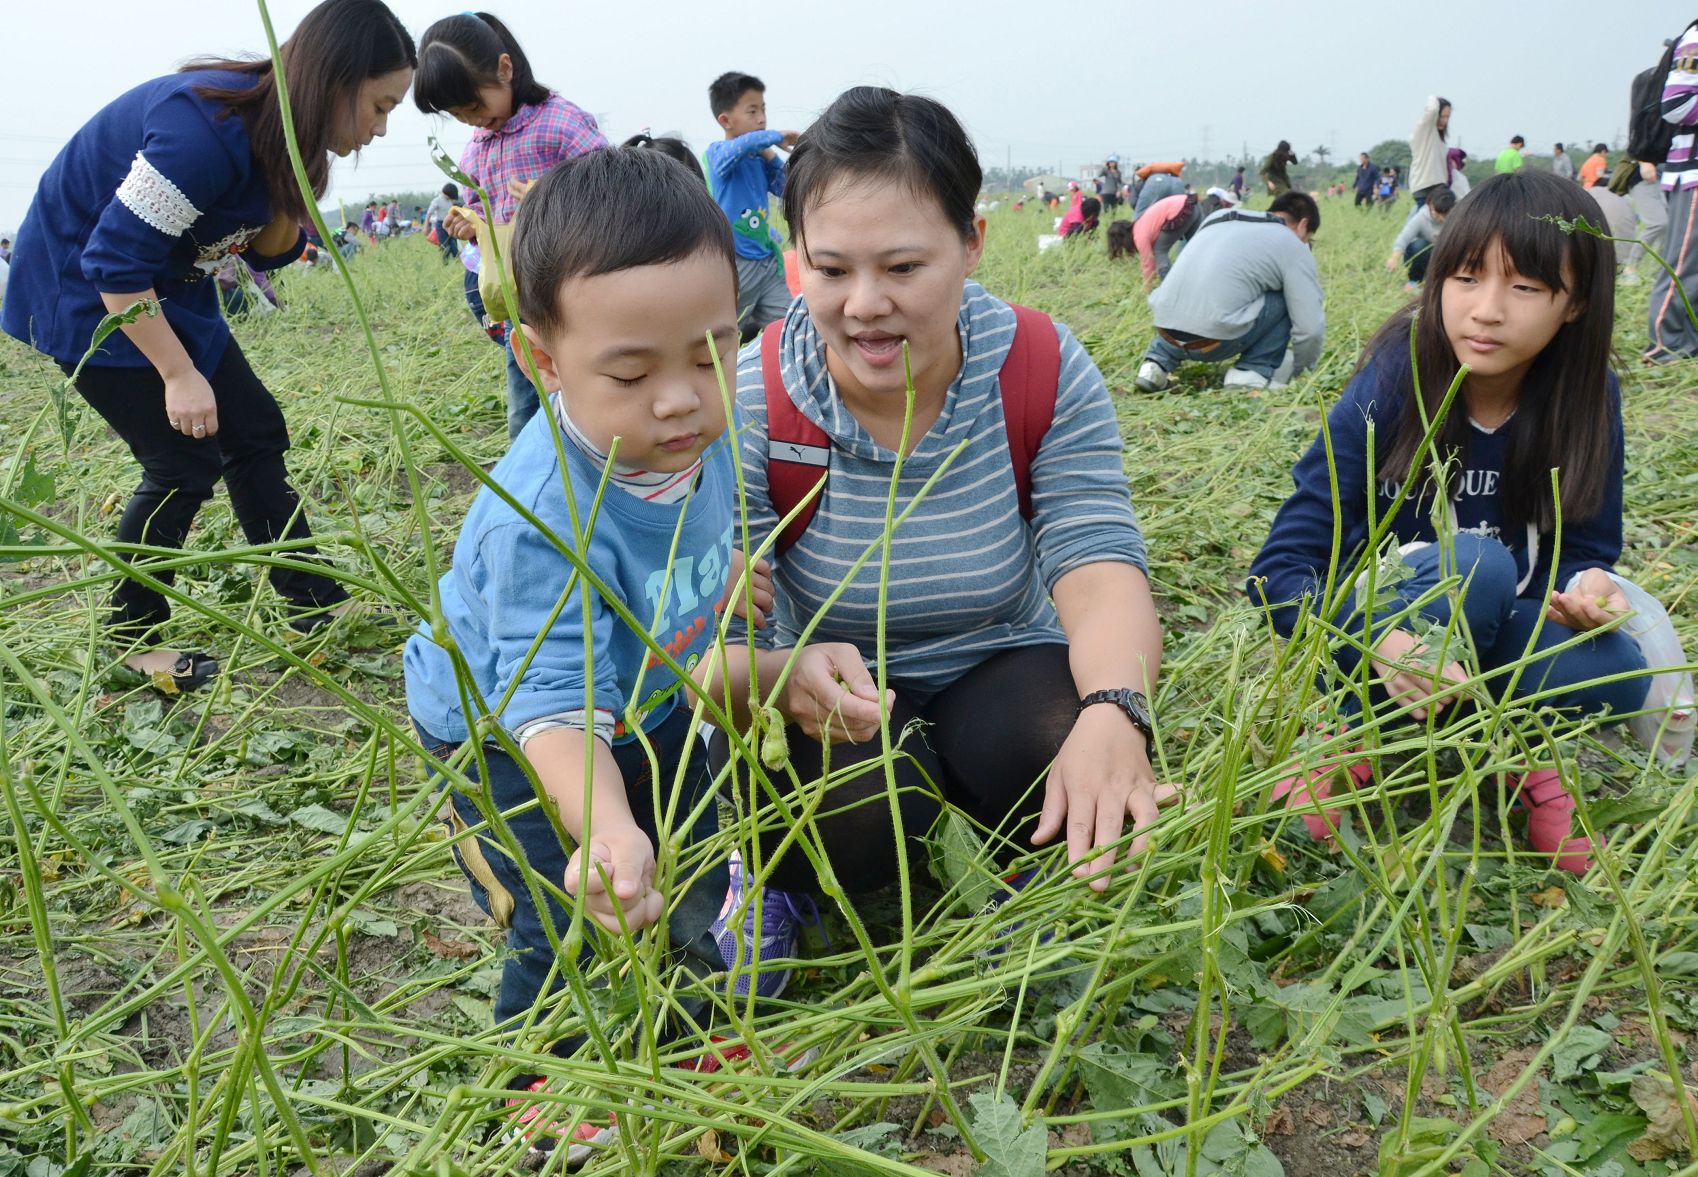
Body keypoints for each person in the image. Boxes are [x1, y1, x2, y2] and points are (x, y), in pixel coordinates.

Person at [404, 147, 805, 1164]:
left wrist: (728, 588)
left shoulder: (692, 433)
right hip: (514, 735)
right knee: (569, 908)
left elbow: (685, 549)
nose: (680, 401)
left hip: (653, 686)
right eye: (630, 372)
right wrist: (608, 828)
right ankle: (546, 1077)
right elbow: (548, 703)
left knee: (693, 840)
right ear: (543, 361)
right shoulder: (538, 517)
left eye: (713, 353)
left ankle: (694, 1027)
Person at [723, 85, 1168, 930]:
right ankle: (782, 886)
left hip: (996, 656)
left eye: (901, 268)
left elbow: (1098, 561)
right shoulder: (753, 394)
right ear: (794, 264)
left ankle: (1009, 833)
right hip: (833, 684)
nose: (863, 305)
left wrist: (1119, 710)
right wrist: (782, 676)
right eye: (831, 269)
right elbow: (723, 640)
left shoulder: (1035, 363)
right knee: (870, 814)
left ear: (970, 247)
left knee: (1068, 752)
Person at [1248, 170, 1665, 875]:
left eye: (1526, 288)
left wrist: (1588, 589)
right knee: (1480, 563)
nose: (1488, 310)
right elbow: (1277, 574)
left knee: (1626, 671)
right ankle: (1349, 729)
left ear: (1576, 303)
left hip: (1492, 640)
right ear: (1437, 276)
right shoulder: (1393, 378)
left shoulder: (1588, 395)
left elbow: (1585, 550)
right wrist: (1381, 639)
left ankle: (1503, 743)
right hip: (1376, 635)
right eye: (1468, 278)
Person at [0, 0, 413, 690]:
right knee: (182, 460)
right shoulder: (203, 132)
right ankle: (129, 642)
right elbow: (112, 263)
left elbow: (268, 250)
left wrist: (297, 175)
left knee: (254, 432)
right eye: (378, 105)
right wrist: (177, 372)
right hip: (88, 298)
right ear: (334, 80)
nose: (380, 127)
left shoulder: (277, 140)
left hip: (171, 292)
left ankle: (314, 606)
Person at [415, 11, 610, 441]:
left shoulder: (559, 123)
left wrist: (554, 192)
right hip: (515, 305)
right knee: (525, 411)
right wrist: (469, 224)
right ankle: (535, 491)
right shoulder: (475, 153)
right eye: (457, 114)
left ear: (505, 69)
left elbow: (612, 185)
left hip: (573, 295)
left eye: (474, 106)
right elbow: (479, 212)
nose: (470, 119)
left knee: (589, 399)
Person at [1133, 191, 1323, 393]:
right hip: (1214, 340)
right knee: (1287, 297)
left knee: (1196, 292)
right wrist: (1303, 370)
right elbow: (1310, 329)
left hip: (1164, 329)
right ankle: (1251, 372)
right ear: (1303, 225)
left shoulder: (1218, 219)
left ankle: (1154, 365)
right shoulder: (1291, 243)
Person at [704, 72, 798, 343]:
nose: (761, 118)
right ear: (725, 120)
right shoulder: (718, 153)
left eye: (763, 110)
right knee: (723, 334)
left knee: (788, 326)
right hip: (738, 263)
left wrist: (769, 153)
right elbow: (736, 149)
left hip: (767, 261)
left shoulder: (759, 160)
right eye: (752, 111)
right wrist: (771, 137)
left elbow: (786, 189)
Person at [1649, 17, 1698, 363]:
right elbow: (1676, 103)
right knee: (1683, 266)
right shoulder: (1695, 38)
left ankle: (1689, 343)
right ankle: (1664, 346)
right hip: (1692, 173)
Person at [1132, 189, 1231, 286]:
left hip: (1180, 208)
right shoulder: (1140, 224)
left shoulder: (1138, 235)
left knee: (1160, 251)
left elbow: (1148, 263)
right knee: (1199, 247)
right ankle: (1215, 277)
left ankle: (1169, 286)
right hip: (1193, 204)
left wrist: (1147, 287)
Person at [1386, 186, 1455, 286]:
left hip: (1441, 256)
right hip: (1421, 256)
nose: (1440, 219)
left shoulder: (1457, 219)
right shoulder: (1421, 216)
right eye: (1437, 213)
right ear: (1431, 206)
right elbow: (1404, 238)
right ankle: (1414, 281)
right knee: (1419, 244)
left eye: (1444, 215)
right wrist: (1394, 258)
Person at [1408, 96, 1452, 206]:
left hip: (1438, 188)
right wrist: (1434, 97)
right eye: (1442, 116)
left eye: (1447, 117)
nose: (1445, 121)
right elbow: (1432, 109)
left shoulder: (1438, 138)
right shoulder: (1424, 129)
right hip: (1425, 188)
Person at [425, 181, 458, 262]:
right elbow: (429, 213)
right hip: (441, 225)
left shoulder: (450, 201)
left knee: (454, 246)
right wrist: (426, 226)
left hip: (451, 224)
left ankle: (456, 262)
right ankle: (445, 263)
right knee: (445, 246)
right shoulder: (437, 200)